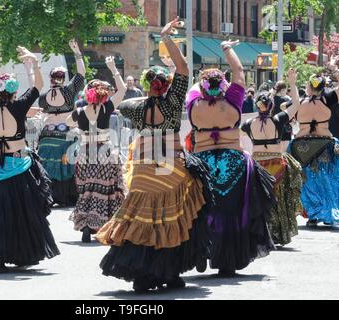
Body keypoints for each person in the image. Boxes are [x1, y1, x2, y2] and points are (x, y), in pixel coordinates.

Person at [96, 18, 212, 292]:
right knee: (173, 216)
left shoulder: (135, 108)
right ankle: (169, 272)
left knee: (142, 219)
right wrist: (166, 38)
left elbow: (121, 104)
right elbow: (184, 67)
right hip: (169, 169)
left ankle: (142, 274)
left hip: (144, 172)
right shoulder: (173, 104)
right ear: (168, 84)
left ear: (148, 85)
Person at [0, 46, 60, 273]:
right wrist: (33, 63)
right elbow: (38, 86)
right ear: (13, 92)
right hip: (16, 165)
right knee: (22, 211)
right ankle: (21, 252)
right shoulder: (18, 106)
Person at [185, 39, 276, 277]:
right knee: (233, 212)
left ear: (203, 88)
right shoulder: (233, 101)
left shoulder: (194, 104)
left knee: (203, 210)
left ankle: (204, 250)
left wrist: (206, 81)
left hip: (202, 164)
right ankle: (229, 258)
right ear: (224, 86)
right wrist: (226, 48)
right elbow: (238, 71)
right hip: (234, 163)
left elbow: (194, 87)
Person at [67, 56, 127, 243]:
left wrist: (79, 129)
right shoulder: (106, 108)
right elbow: (123, 90)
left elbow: (68, 122)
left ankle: (86, 224)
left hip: (86, 152)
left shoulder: (80, 111)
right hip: (105, 152)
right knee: (107, 189)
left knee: (87, 190)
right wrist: (113, 68)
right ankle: (105, 224)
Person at [241, 69, 303, 246]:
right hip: (277, 165)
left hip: (257, 166)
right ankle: (276, 235)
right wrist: (292, 82)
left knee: (259, 200)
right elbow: (296, 105)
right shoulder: (277, 120)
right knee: (278, 201)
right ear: (271, 106)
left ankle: (260, 234)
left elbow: (235, 136)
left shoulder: (248, 124)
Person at [288, 56, 339, 227]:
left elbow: (290, 111)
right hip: (325, 145)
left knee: (307, 181)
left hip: (301, 146)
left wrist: (292, 82)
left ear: (308, 87)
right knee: (328, 181)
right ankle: (326, 211)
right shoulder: (327, 99)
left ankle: (313, 214)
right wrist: (335, 68)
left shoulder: (300, 103)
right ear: (322, 86)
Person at [37, 40, 86, 207]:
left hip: (47, 135)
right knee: (68, 164)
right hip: (66, 134)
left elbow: (42, 111)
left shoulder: (43, 96)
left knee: (48, 164)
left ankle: (49, 196)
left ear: (51, 78)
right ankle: (69, 196)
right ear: (63, 78)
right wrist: (77, 53)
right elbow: (81, 75)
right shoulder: (69, 91)